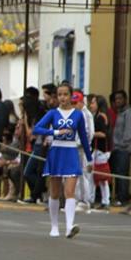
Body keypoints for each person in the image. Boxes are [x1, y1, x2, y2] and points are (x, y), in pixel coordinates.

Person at [32, 82, 92, 238]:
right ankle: (54, 226)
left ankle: (70, 226)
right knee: (55, 192)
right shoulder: (52, 113)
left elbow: (84, 138)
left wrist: (89, 158)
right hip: (56, 151)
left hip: (71, 151)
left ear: (71, 96)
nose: (62, 97)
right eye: (59, 95)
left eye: (65, 94)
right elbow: (37, 128)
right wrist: (55, 132)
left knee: (70, 191)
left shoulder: (78, 114)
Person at [110, 90, 131, 205]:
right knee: (116, 172)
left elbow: (129, 132)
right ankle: (117, 195)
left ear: (125, 99)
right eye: (116, 99)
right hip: (116, 148)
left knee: (122, 172)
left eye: (120, 98)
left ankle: (123, 196)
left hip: (124, 148)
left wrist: (122, 144)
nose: (118, 101)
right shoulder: (120, 113)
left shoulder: (129, 113)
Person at [89, 94, 112, 209]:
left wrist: (91, 133)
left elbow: (103, 134)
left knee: (101, 177)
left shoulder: (100, 117)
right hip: (99, 149)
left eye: (93, 103)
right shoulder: (98, 116)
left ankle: (105, 200)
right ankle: (93, 198)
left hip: (101, 150)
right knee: (95, 175)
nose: (91, 105)